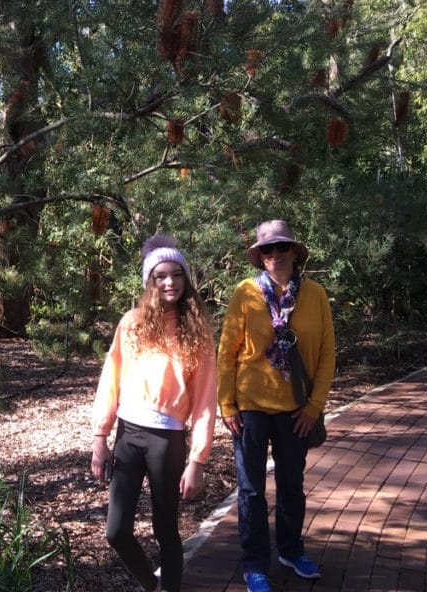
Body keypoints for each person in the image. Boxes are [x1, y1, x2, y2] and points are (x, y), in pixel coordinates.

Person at [91, 235, 217, 592]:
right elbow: (110, 381)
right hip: (128, 435)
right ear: (149, 281)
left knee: (166, 530)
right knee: (116, 531)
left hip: (167, 439)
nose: (169, 282)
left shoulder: (198, 332)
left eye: (177, 275)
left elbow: (206, 399)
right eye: (160, 275)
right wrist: (100, 437)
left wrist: (198, 460)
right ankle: (152, 585)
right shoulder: (130, 323)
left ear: (186, 279)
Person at [217, 220, 335, 592]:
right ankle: (255, 565)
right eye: (267, 250)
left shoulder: (315, 295)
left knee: (291, 485)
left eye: (281, 247)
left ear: (294, 252)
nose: (275, 255)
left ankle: (291, 549)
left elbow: (328, 353)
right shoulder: (245, 293)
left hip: (295, 409)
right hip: (250, 408)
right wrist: (227, 404)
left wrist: (314, 406)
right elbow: (227, 351)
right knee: (251, 490)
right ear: (260, 257)